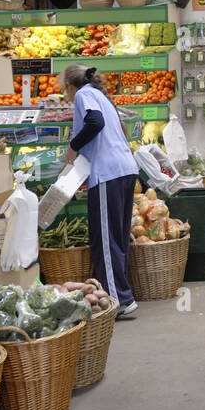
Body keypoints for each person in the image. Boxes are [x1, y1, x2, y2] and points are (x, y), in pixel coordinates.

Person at [62, 63, 140, 318]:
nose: (66, 95)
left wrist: (73, 147)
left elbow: (94, 123)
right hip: (125, 169)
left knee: (105, 242)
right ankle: (123, 295)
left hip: (108, 174)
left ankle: (118, 300)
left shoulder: (84, 95)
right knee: (116, 239)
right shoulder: (101, 96)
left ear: (71, 86)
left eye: (65, 90)